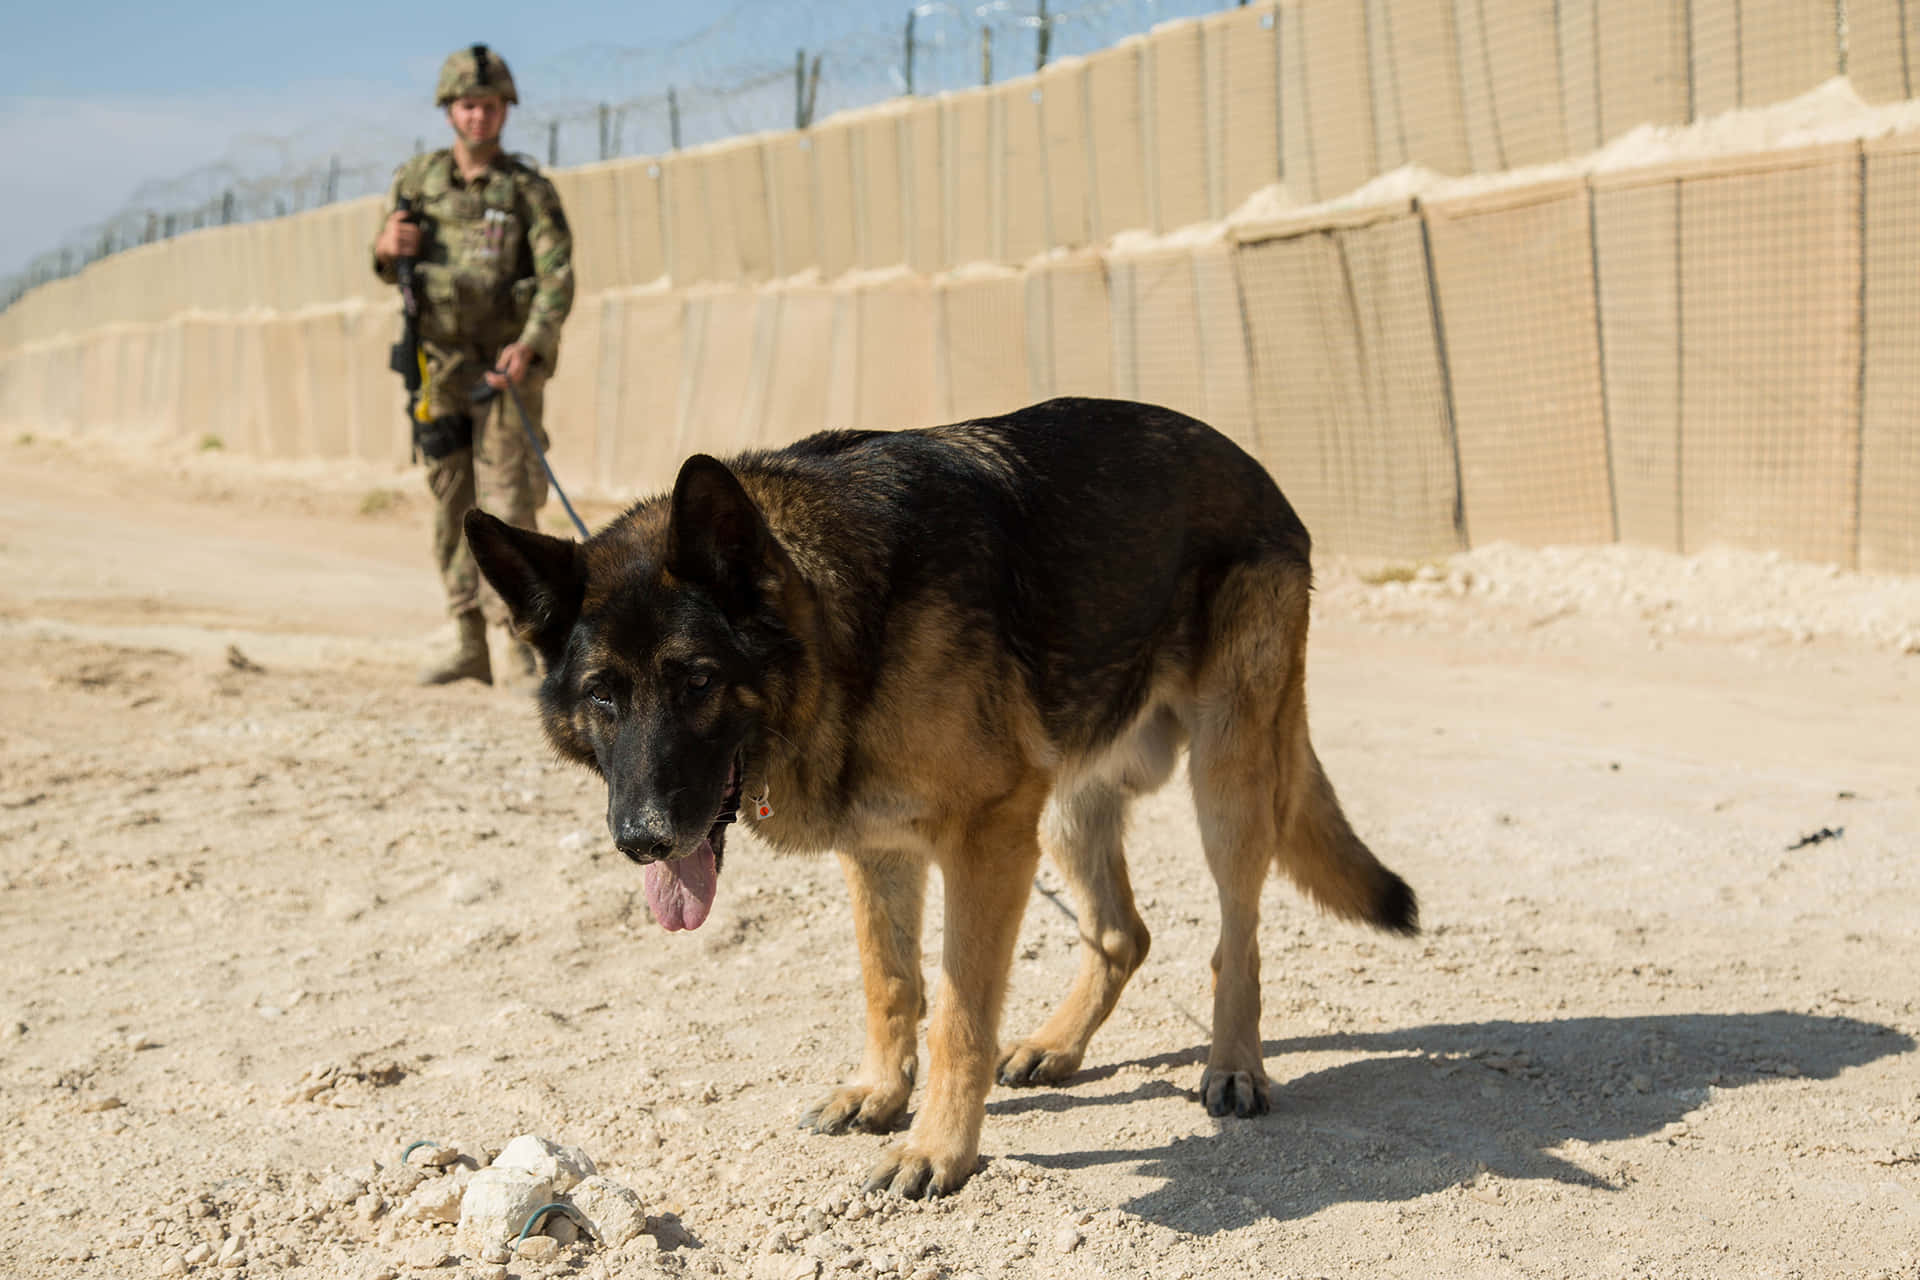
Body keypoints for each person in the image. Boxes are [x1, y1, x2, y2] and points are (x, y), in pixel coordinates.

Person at [371, 43, 574, 685]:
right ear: (449, 111)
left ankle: (523, 646)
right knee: (450, 501)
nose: (478, 117)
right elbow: (387, 265)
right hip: (441, 369)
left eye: (488, 106)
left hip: (505, 370)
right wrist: (384, 247)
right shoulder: (416, 182)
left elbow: (557, 278)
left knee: (510, 506)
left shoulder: (526, 191)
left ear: (503, 111)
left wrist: (532, 343)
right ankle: (468, 641)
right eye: (467, 106)